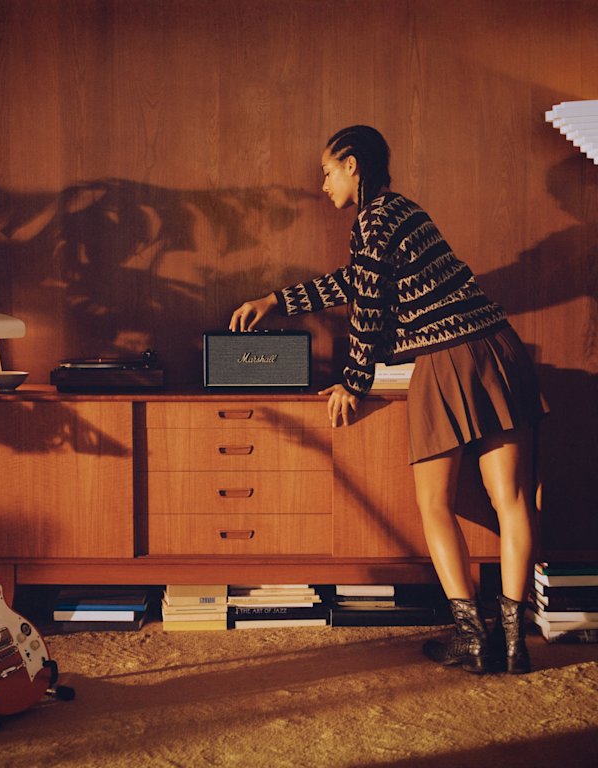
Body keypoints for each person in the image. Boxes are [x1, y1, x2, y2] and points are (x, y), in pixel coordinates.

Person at [228, 125, 548, 675]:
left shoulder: (371, 220)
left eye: (327, 170)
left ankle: (473, 640)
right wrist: (277, 300)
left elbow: (368, 311)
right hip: (497, 348)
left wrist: (353, 381)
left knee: (434, 504)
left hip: (448, 359)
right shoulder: (402, 211)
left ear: (352, 164)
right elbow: (358, 281)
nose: (322, 182)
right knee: (512, 500)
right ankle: (514, 643)